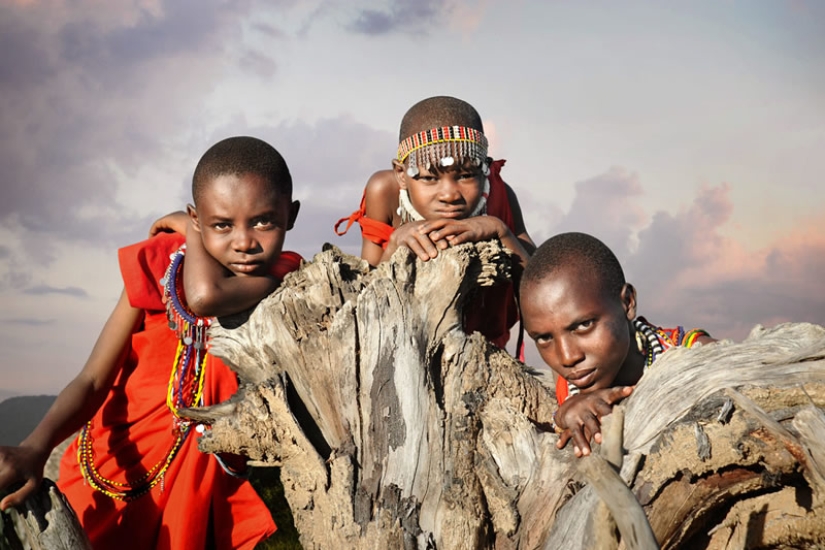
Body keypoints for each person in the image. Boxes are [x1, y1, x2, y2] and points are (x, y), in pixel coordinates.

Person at [0, 136, 301, 550]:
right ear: (199, 219)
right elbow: (91, 379)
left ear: (291, 215)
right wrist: (35, 447)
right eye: (221, 224)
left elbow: (204, 296)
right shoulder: (161, 261)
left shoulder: (286, 276)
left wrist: (191, 229)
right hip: (106, 470)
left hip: (192, 485)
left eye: (264, 221)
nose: (244, 241)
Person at [335, 96, 535, 349]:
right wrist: (396, 242)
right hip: (398, 349)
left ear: (484, 168)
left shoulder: (500, 196)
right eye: (430, 178)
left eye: (465, 176)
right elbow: (366, 296)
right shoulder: (384, 191)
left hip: (485, 352)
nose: (449, 194)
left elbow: (541, 287)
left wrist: (501, 231)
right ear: (401, 175)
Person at [519, 232, 713, 458]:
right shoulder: (567, 384)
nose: (567, 357)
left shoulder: (694, 354)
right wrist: (562, 416)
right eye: (544, 338)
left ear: (627, 302)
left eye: (583, 325)